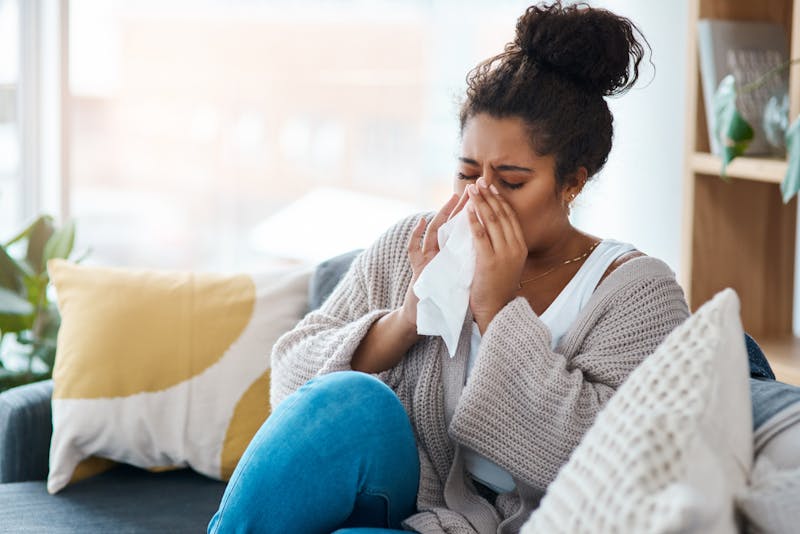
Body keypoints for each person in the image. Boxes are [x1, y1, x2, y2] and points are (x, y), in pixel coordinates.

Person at [207, 2, 690, 533]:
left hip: (506, 524)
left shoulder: (637, 294)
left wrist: (497, 309)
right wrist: (407, 319)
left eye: (510, 181)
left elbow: (605, 464)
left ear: (572, 182)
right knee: (356, 399)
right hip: (399, 491)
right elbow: (294, 390)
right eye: (466, 173)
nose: (480, 198)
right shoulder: (413, 246)